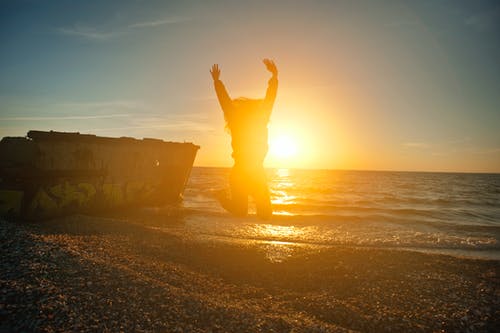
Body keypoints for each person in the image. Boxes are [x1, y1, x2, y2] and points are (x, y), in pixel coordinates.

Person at [210, 59, 278, 219]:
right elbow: (225, 102)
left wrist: (274, 77)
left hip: (257, 171)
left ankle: (252, 194)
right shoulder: (236, 121)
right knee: (241, 212)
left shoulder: (261, 118)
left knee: (266, 215)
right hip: (240, 172)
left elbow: (270, 99)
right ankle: (221, 196)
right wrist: (217, 82)